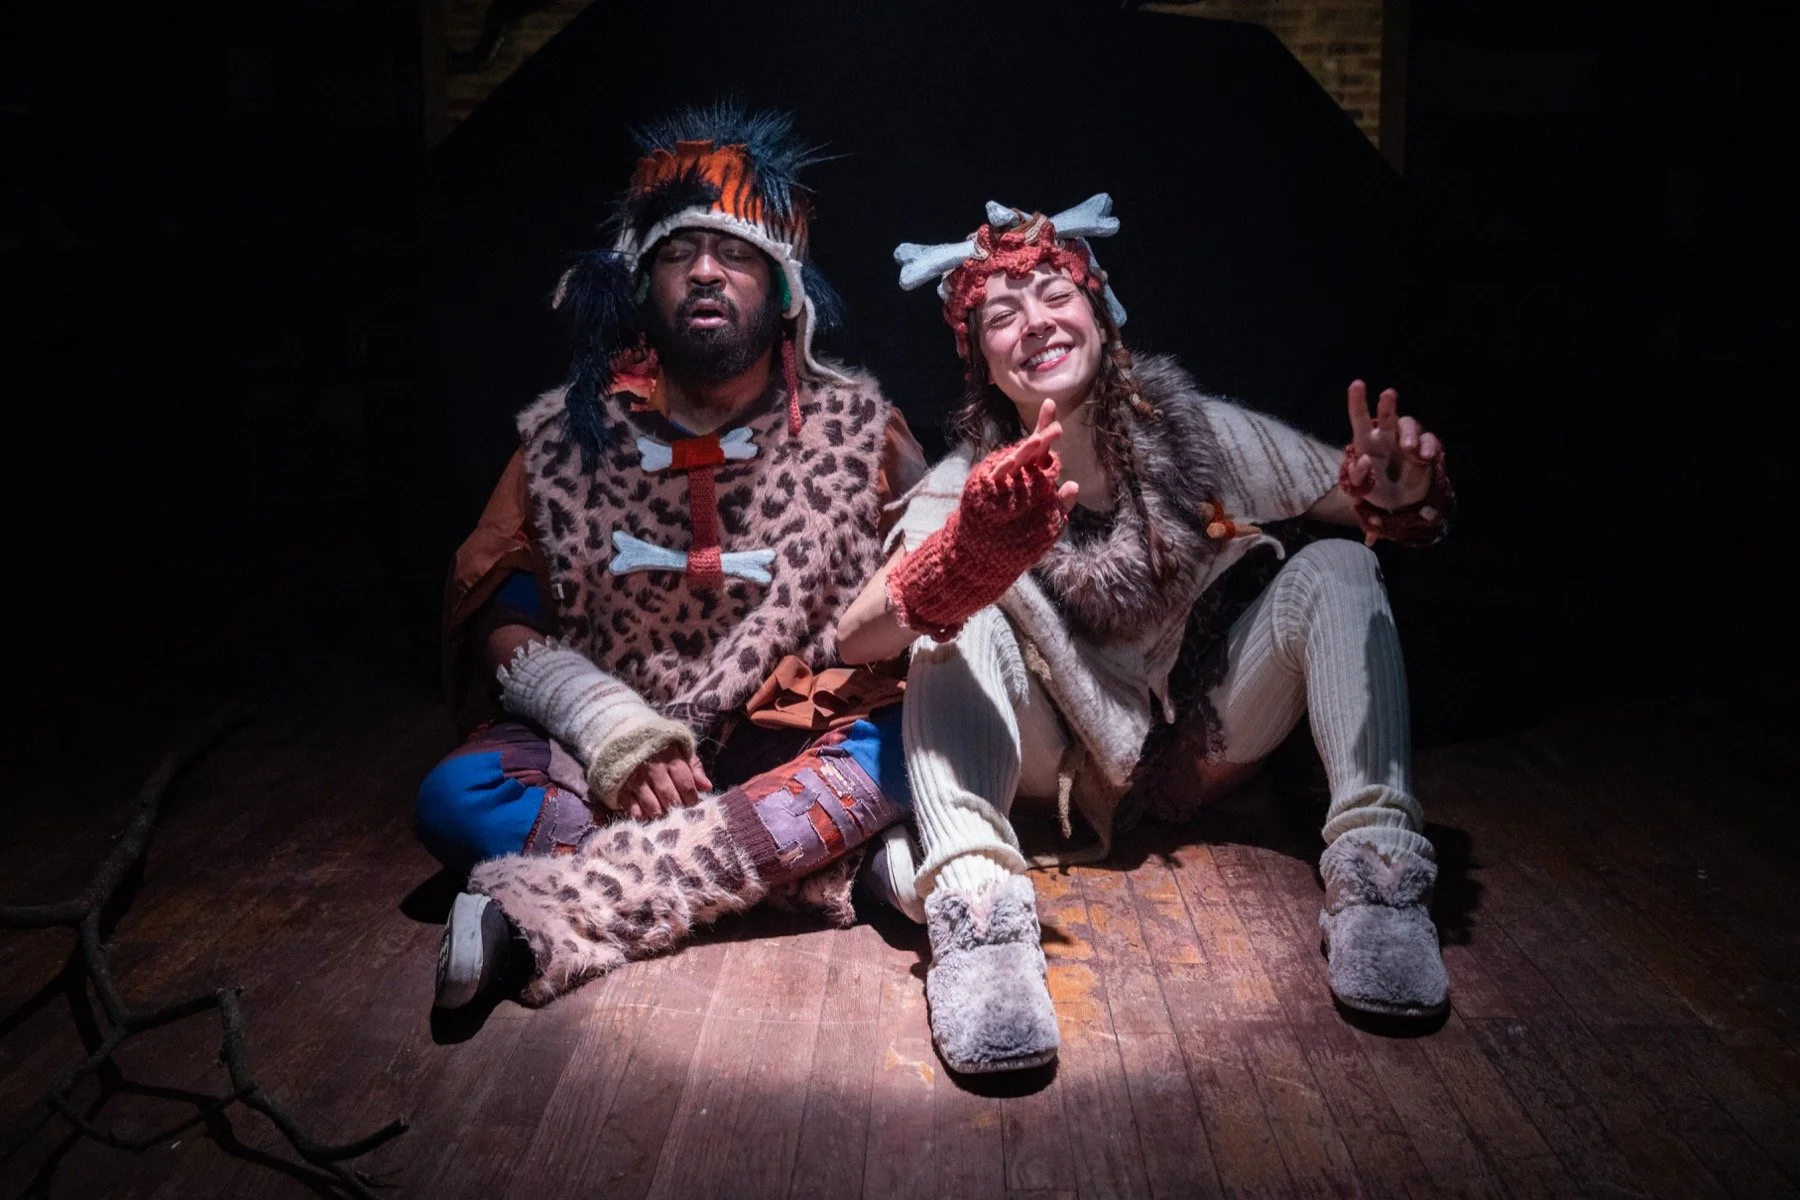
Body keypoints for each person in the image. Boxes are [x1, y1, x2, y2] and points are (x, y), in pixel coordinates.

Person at [837, 194, 1457, 1074]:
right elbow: (854, 638)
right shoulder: (972, 481)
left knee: (1343, 568)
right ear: (984, 362)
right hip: (1054, 774)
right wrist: (961, 561)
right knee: (950, 614)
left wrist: (1399, 498)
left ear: (1100, 313)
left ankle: (1380, 878)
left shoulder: (1198, 434)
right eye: (1002, 315)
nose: (1036, 324)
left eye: (1056, 295)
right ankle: (978, 918)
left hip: (1193, 747)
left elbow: (1348, 500)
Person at [420, 101, 923, 1009]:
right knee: (457, 799)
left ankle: (556, 907)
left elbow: (921, 621)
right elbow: (503, 616)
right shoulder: (565, 442)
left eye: (734, 255)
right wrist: (605, 721)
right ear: (639, 283)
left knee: (910, 746)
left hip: (796, 736)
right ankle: (822, 859)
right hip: (616, 763)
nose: (703, 272)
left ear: (783, 291)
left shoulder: (865, 434)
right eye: (675, 254)